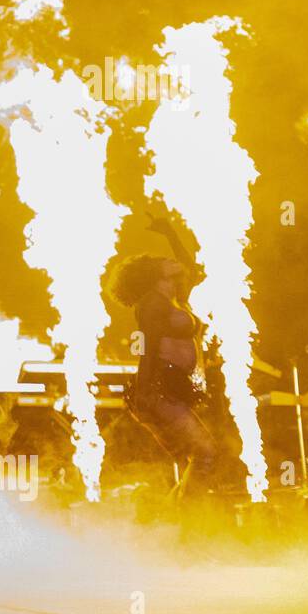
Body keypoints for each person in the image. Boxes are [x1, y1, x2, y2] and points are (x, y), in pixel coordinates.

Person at [110, 211, 219, 502]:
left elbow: (190, 267)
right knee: (204, 451)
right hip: (159, 388)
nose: (172, 261)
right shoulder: (151, 304)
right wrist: (145, 390)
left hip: (172, 386)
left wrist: (170, 232)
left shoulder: (175, 296)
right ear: (154, 274)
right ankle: (184, 521)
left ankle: (172, 520)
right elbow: (147, 346)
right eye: (164, 260)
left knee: (194, 456)